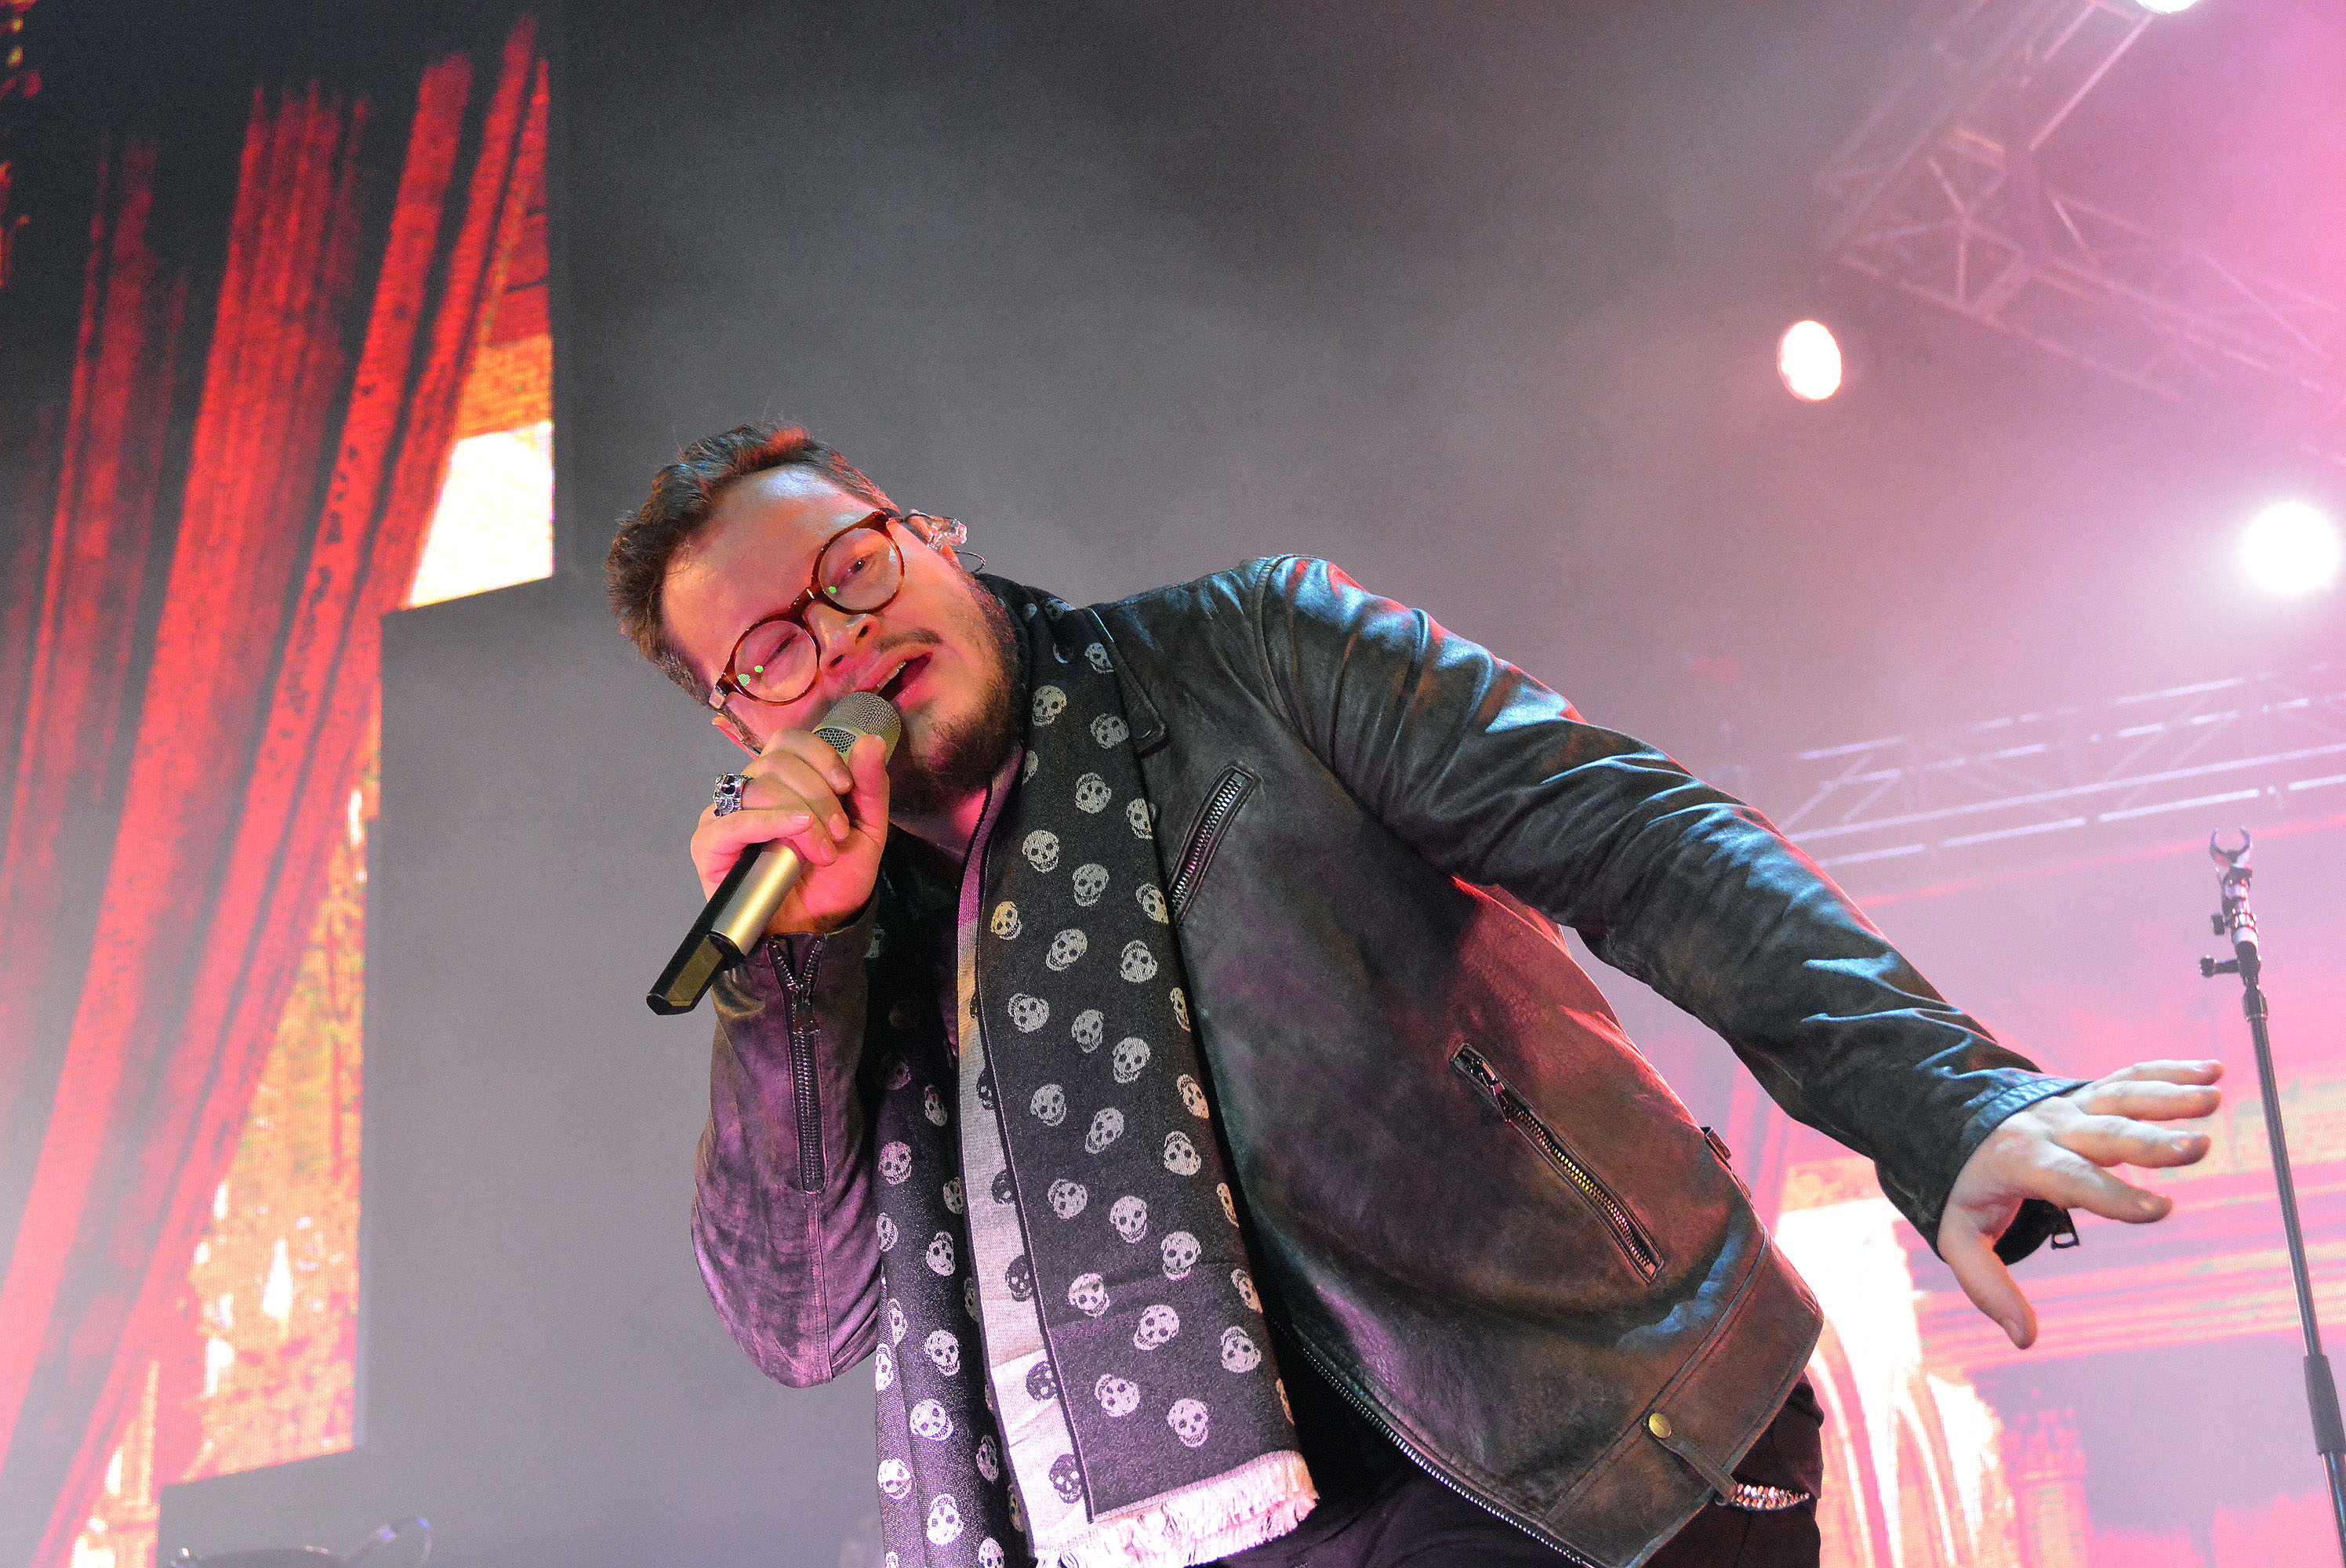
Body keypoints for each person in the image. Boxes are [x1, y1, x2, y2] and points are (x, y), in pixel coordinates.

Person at [605, 425, 2221, 1568]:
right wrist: (790, 972)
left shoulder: (1250, 653)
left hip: (1556, 1437)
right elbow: (801, 1323)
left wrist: (1943, 1101)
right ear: (741, 729)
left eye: (855, 563)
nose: (844, 633)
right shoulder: (837, 951)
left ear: (929, 542)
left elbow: (1639, 841)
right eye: (774, 647)